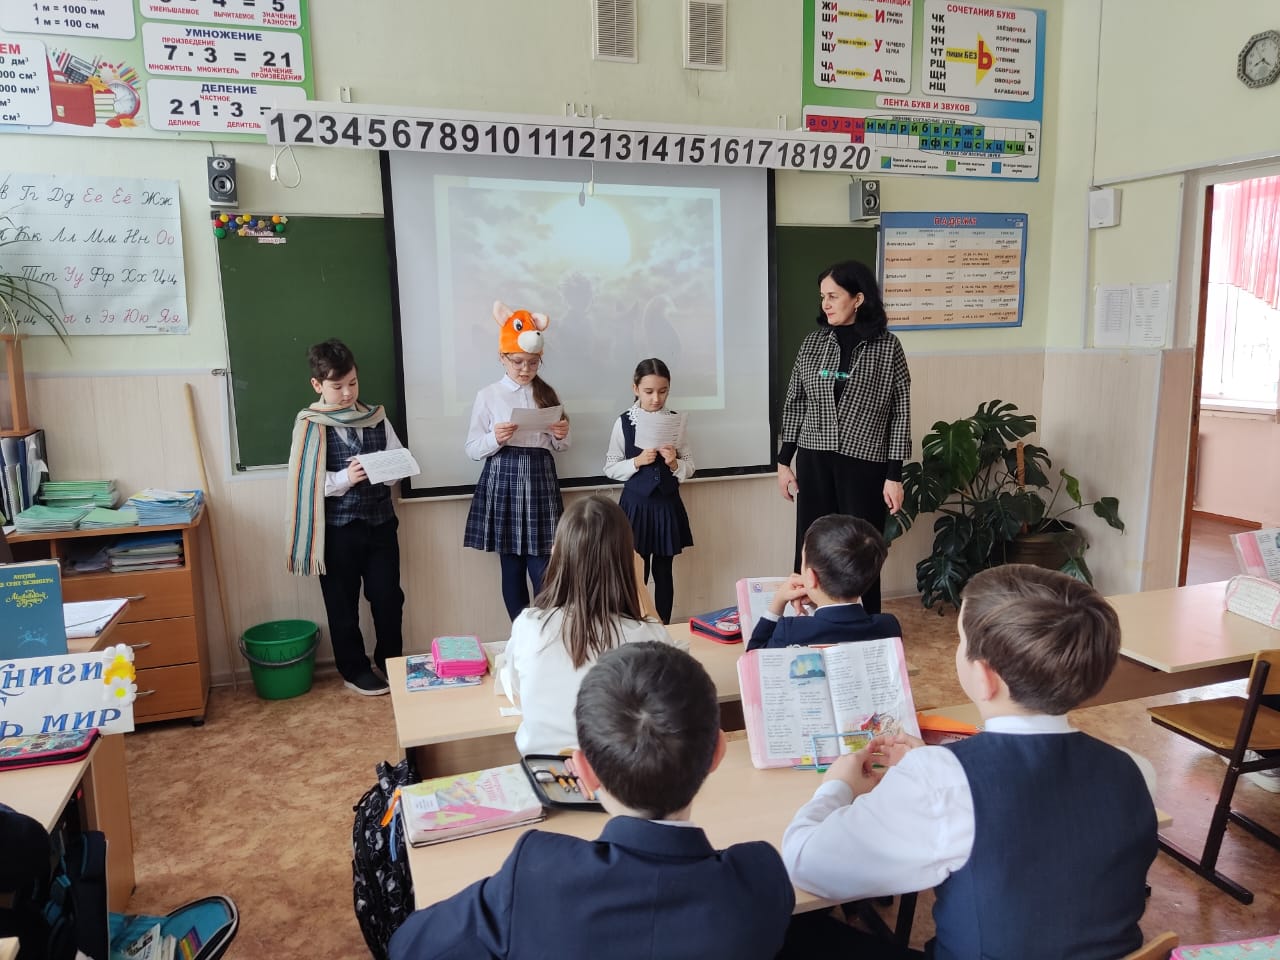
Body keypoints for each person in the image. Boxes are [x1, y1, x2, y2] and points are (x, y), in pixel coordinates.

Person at [780, 565, 1158, 960]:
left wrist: (838, 786)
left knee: (789, 931)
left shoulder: (940, 782)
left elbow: (805, 863)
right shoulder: (1136, 771)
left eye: (960, 640)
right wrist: (930, 766)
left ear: (984, 677)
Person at [390, 642, 796, 960]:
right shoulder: (760, 882)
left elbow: (410, 946)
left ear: (582, 771)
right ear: (718, 753)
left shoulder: (537, 874)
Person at [775, 260, 911, 615]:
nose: (826, 304)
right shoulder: (813, 344)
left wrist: (894, 475)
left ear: (858, 298)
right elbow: (795, 402)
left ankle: (867, 624)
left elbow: (900, 413)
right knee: (810, 546)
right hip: (815, 457)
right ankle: (807, 621)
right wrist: (784, 461)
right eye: (822, 297)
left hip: (865, 462)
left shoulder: (888, 347)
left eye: (833, 296)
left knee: (861, 549)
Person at [500, 494, 683, 755]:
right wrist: (639, 585)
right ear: (628, 562)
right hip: (619, 775)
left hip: (545, 774)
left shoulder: (530, 627)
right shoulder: (649, 638)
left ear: (557, 554)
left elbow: (516, 692)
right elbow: (674, 687)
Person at [285, 339, 404, 696]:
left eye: (353, 382)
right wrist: (345, 478)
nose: (348, 392)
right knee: (342, 603)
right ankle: (354, 669)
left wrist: (387, 469)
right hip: (337, 530)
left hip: (381, 524)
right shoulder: (310, 425)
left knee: (388, 597)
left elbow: (398, 461)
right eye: (337, 386)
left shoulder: (376, 417)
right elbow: (306, 482)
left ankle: (391, 661)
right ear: (317, 385)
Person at [464, 301, 571, 621]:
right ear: (503, 357)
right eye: (518, 362)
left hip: (540, 479)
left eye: (533, 363)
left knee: (545, 567)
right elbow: (472, 448)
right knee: (511, 567)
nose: (525, 369)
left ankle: (546, 631)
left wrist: (561, 434)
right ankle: (521, 633)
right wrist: (495, 438)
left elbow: (562, 446)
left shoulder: (548, 393)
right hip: (504, 479)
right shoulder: (488, 395)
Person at [603, 357, 695, 624]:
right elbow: (610, 467)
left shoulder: (675, 421)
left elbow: (690, 466)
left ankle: (664, 628)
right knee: (636, 571)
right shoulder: (624, 422)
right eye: (649, 391)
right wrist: (636, 462)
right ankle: (636, 625)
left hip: (666, 504)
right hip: (635, 506)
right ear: (636, 389)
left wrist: (674, 463)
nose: (656, 398)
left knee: (664, 571)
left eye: (663, 391)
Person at [746, 514, 901, 651]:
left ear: (811, 577)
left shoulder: (790, 630)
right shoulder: (888, 627)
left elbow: (755, 656)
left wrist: (778, 602)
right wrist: (817, 602)